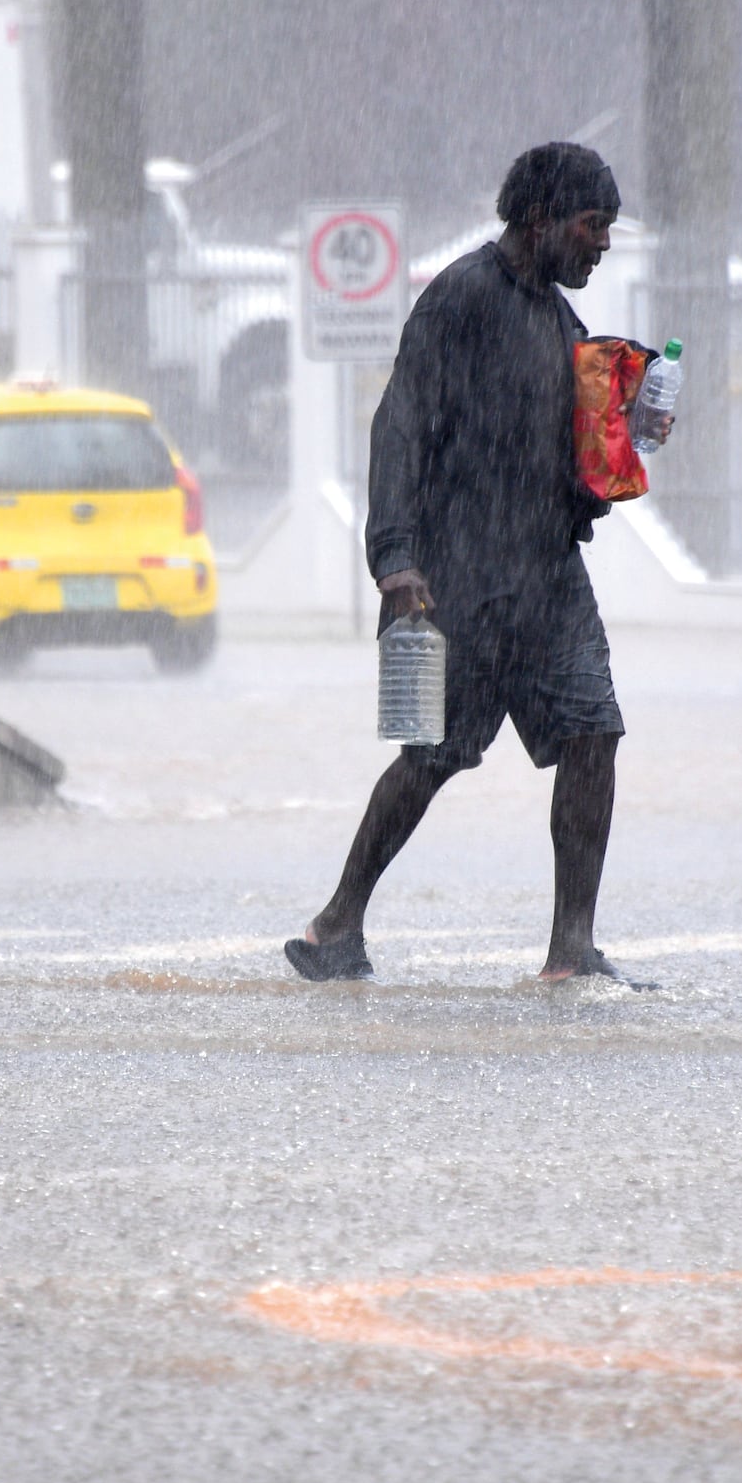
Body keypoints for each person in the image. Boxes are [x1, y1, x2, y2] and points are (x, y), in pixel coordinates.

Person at [284, 142, 671, 986]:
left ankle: (571, 951)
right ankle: (334, 925)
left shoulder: (563, 323)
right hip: (460, 580)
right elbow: (400, 425)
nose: (602, 244)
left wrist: (627, 438)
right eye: (592, 225)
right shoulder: (460, 298)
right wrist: (395, 561)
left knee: (594, 734)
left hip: (548, 578)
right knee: (433, 755)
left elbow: (573, 457)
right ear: (540, 221)